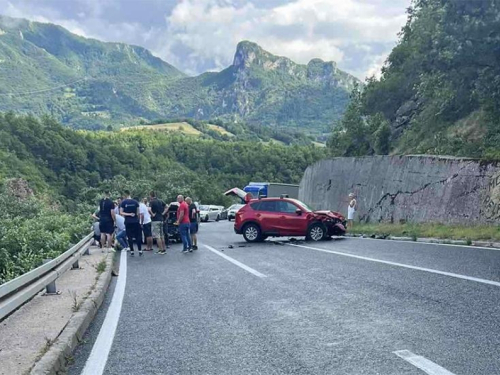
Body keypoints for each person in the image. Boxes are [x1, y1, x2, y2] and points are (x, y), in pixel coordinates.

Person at [120, 190, 142, 257]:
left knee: (129, 236)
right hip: (135, 221)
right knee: (138, 236)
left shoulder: (123, 202)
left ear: (125, 195)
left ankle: (132, 251)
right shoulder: (135, 202)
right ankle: (140, 250)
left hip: (128, 221)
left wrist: (128, 214)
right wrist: (138, 220)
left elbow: (121, 212)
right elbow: (138, 213)